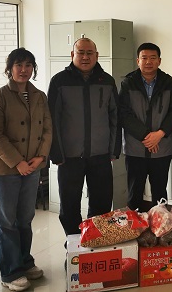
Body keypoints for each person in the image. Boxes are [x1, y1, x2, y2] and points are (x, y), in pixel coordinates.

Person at [0, 48, 52, 292]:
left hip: (32, 166)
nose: (24, 70)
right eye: (18, 65)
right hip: (7, 168)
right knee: (7, 221)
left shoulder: (39, 96)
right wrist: (17, 162)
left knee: (25, 218)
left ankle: (25, 262)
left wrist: (40, 157)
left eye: (28, 65)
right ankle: (10, 272)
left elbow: (47, 129)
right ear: (10, 68)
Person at [47, 38, 121, 237]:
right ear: (73, 55)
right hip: (69, 157)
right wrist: (56, 152)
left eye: (90, 53)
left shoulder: (107, 81)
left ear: (97, 56)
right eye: (81, 52)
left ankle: (95, 241)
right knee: (69, 204)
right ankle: (73, 244)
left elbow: (116, 116)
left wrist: (114, 149)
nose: (85, 57)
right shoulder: (59, 81)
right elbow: (52, 119)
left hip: (100, 155)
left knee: (102, 203)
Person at [119, 42, 172, 211]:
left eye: (153, 58)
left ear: (159, 61)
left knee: (160, 194)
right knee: (134, 193)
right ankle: (135, 226)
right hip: (135, 149)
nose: (148, 62)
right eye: (144, 58)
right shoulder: (128, 84)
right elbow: (124, 114)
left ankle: (159, 226)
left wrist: (159, 134)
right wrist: (147, 136)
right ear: (137, 61)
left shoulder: (169, 83)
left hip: (161, 148)